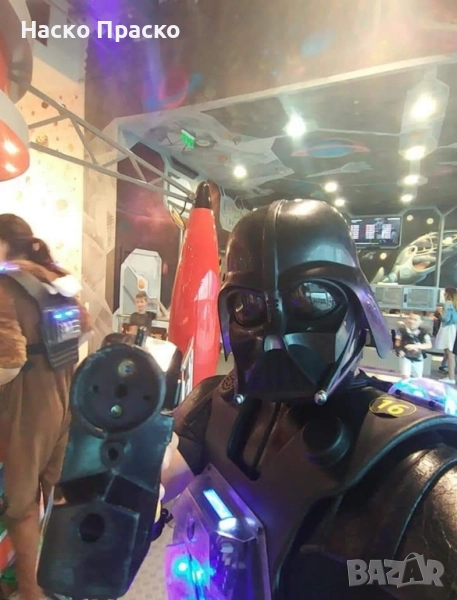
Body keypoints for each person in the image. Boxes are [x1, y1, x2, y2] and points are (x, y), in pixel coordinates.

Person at [159, 199, 457, 599]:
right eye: (249, 304)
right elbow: (136, 503)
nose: (276, 333)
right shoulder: (215, 404)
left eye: (311, 297)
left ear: (357, 304)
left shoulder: (411, 469)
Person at [0, 214, 91, 600]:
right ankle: (61, 577)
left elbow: (7, 364)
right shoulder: (56, 279)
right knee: (57, 496)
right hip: (65, 396)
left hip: (26, 407)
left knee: (20, 506)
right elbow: (84, 332)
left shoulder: (5, 286)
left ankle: (30, 591)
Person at [395, 312, 432, 379]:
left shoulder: (423, 332)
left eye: (415, 320)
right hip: (405, 355)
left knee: (417, 377)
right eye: (410, 318)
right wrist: (399, 350)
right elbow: (397, 343)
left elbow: (429, 345)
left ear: (421, 322)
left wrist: (416, 346)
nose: (412, 321)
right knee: (405, 376)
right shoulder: (402, 330)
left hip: (418, 356)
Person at [434, 287, 457, 384]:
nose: (443, 295)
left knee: (449, 353)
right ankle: (450, 375)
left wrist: (440, 313)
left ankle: (451, 377)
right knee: (450, 352)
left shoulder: (448, 303)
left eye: (445, 293)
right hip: (454, 329)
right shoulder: (455, 304)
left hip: (448, 329)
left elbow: (446, 319)